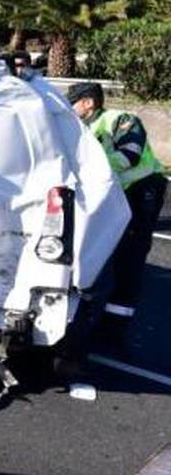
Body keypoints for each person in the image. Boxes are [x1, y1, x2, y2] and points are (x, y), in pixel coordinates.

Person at [68, 81, 166, 330]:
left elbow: (130, 155)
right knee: (106, 250)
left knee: (130, 254)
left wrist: (87, 166)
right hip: (119, 192)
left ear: (88, 103)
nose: (69, 108)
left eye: (73, 103)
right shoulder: (81, 129)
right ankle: (102, 315)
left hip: (143, 189)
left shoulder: (119, 119)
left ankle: (116, 323)